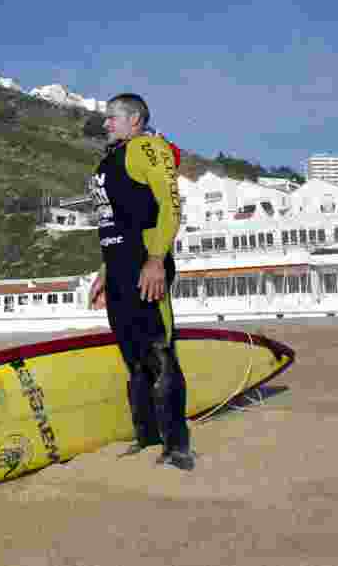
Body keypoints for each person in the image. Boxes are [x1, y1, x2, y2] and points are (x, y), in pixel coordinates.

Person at [86, 92, 194, 471]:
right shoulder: (110, 158)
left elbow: (170, 204)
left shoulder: (149, 147)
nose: (105, 123)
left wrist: (155, 260)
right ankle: (146, 435)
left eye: (112, 117)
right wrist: (103, 272)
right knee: (134, 360)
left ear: (135, 120)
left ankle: (177, 446)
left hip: (146, 264)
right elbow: (114, 222)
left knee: (160, 353)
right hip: (117, 268)